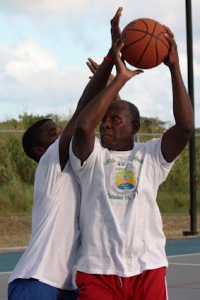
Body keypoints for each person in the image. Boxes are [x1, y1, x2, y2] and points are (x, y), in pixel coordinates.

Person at [69, 16, 194, 300]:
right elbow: (83, 126)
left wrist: (174, 68)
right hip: (99, 272)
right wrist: (116, 71)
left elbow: (185, 126)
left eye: (115, 119)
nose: (107, 124)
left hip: (147, 267)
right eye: (105, 119)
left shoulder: (151, 155)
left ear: (135, 127)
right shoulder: (91, 158)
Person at [7, 7, 123, 300]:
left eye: (59, 128)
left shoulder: (81, 163)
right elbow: (83, 108)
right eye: (52, 132)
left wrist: (113, 89)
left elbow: (114, 130)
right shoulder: (50, 164)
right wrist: (111, 58)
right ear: (39, 149)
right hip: (37, 281)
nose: (60, 132)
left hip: (70, 285)